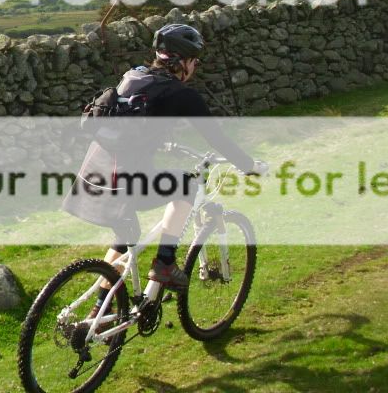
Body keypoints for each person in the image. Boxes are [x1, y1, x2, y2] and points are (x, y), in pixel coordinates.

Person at [69, 23, 264, 317]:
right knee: (188, 186)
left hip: (93, 178)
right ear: (183, 61)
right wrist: (250, 166)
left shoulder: (133, 77)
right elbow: (217, 138)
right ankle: (165, 263)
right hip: (123, 183)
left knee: (125, 240)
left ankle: (98, 313)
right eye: (194, 61)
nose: (195, 67)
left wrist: (159, 143)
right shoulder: (180, 93)